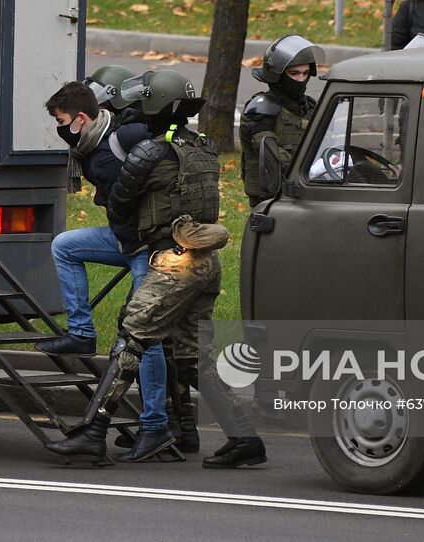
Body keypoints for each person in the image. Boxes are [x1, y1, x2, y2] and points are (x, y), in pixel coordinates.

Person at [45, 70, 267, 469]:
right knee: (192, 358)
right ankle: (245, 438)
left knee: (132, 338)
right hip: (204, 259)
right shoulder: (200, 146)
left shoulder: (149, 151)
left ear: (151, 105)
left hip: (170, 262)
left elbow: (119, 205)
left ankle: (95, 434)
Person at [36, 82, 173, 461]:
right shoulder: (89, 146)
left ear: (81, 119)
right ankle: (81, 332)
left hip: (150, 248)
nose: (60, 130)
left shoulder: (120, 135)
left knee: (145, 338)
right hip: (124, 240)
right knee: (65, 245)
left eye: (62, 122)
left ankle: (155, 425)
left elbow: (165, 133)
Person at [240, 35, 324, 207]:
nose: (301, 79)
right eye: (294, 73)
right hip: (272, 196)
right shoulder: (261, 110)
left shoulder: (310, 107)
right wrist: (309, 169)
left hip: (308, 188)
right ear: (276, 75)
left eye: (306, 73)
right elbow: (271, 155)